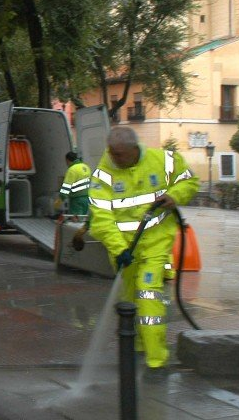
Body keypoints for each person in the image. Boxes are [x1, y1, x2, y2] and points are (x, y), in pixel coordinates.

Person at [88, 127, 199, 378]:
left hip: (156, 241)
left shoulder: (164, 160)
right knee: (129, 299)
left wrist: (175, 195)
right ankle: (138, 346)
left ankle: (156, 361)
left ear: (134, 149)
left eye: (119, 154)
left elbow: (190, 181)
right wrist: (119, 249)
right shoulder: (103, 174)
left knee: (148, 295)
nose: (114, 158)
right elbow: (101, 219)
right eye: (112, 153)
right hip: (125, 249)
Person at [59, 151, 91, 220]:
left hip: (76, 200)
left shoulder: (72, 169)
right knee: (83, 219)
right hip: (87, 198)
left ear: (67, 160)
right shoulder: (86, 167)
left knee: (76, 221)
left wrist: (61, 198)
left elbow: (66, 186)